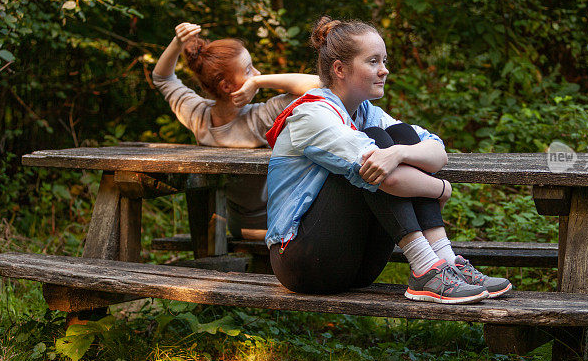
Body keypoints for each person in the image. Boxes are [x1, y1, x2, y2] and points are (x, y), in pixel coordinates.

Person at [264, 17, 512, 303]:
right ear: (340, 69)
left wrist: (400, 152)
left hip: (359, 265)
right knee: (377, 149)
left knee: (399, 135)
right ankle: (425, 268)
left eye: (384, 60)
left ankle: (444, 262)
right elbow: (386, 177)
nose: (384, 70)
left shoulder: (367, 112)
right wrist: (443, 189)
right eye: (373, 61)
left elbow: (436, 151)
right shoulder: (312, 115)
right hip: (302, 262)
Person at [152, 22, 320, 239]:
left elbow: (162, 78)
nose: (257, 73)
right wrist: (261, 82)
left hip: (238, 226)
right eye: (250, 70)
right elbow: (323, 85)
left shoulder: (197, 116)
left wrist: (177, 43)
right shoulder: (263, 117)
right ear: (226, 86)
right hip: (283, 222)